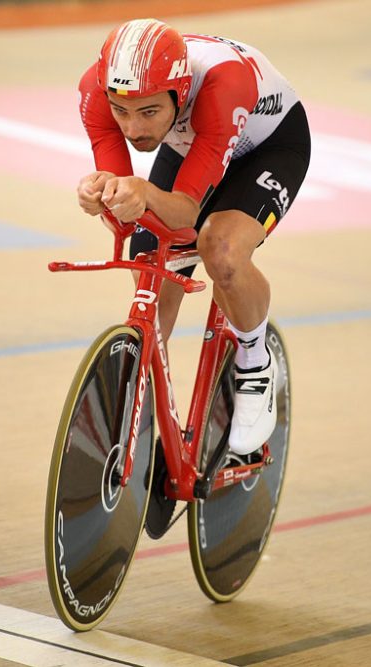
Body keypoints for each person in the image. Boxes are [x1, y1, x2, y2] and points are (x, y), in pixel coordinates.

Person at [76, 18, 311, 455]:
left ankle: (255, 364)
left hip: (268, 147)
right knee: (150, 262)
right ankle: (146, 426)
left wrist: (143, 193)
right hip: (193, 143)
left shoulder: (222, 85)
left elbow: (186, 212)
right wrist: (102, 197)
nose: (132, 129)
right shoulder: (97, 91)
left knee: (219, 248)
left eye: (149, 112)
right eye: (122, 112)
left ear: (180, 94)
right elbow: (127, 211)